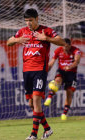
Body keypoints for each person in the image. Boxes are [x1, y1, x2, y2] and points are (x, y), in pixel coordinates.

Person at [7, 8, 67, 140]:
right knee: (31, 104)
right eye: (26, 21)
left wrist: (46, 38)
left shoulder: (46, 31)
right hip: (26, 71)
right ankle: (47, 129)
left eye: (31, 20)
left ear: (37, 19)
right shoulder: (23, 31)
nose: (28, 23)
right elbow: (8, 42)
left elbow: (62, 42)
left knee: (36, 99)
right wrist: (17, 40)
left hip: (40, 70)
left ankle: (33, 134)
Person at [44, 38, 81, 121]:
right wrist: (46, 70)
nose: (65, 49)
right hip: (61, 72)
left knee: (69, 93)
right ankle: (49, 97)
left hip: (71, 74)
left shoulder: (76, 50)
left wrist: (69, 67)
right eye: (63, 47)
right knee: (57, 81)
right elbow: (52, 62)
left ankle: (64, 113)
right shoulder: (58, 50)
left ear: (70, 45)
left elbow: (77, 61)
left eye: (66, 47)